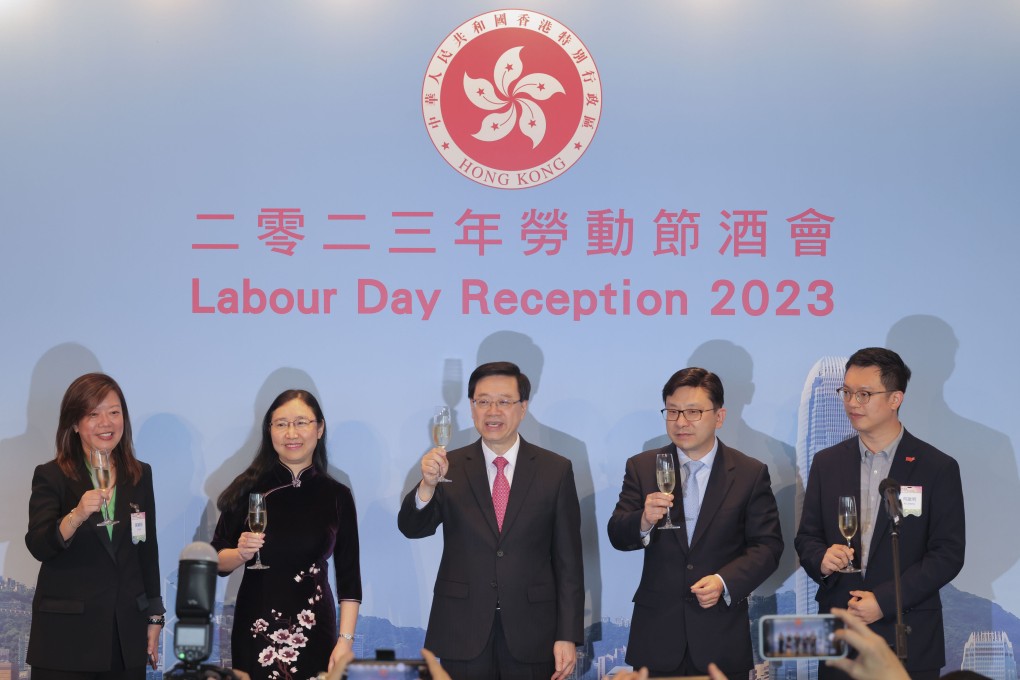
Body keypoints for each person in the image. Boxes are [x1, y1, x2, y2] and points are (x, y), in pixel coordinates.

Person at [397, 361, 584, 680]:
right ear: (471, 407)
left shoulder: (555, 470)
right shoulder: (449, 466)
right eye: (483, 401)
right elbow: (413, 528)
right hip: (462, 630)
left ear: (523, 407)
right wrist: (427, 485)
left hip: (533, 632)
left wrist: (566, 635)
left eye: (504, 401)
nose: (492, 410)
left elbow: (569, 562)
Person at [795, 348, 965, 680]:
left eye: (864, 394)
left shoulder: (936, 467)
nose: (852, 403)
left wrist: (884, 601)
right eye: (846, 392)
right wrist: (821, 559)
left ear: (895, 398)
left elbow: (947, 554)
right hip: (841, 636)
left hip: (907, 634)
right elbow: (807, 538)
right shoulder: (827, 463)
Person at [607, 367, 783, 678]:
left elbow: (767, 547)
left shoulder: (748, 473)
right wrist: (643, 520)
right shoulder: (643, 466)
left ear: (719, 416)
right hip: (656, 637)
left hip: (721, 637)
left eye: (693, 412)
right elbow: (618, 533)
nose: (681, 422)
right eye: (672, 411)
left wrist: (724, 582)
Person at [212, 390, 361, 680]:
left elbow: (349, 578)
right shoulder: (248, 489)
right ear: (269, 431)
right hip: (255, 627)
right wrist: (240, 554)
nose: (290, 433)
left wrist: (345, 640)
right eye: (280, 424)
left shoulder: (337, 495)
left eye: (301, 422)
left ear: (319, 428)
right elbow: (216, 559)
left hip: (316, 629)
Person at [25, 373, 164, 679]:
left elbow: (146, 548)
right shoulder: (52, 475)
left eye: (114, 412)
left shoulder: (140, 475)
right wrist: (75, 516)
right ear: (74, 424)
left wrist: (155, 617)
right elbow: (38, 544)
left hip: (125, 633)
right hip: (67, 639)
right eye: (93, 414)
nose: (106, 422)